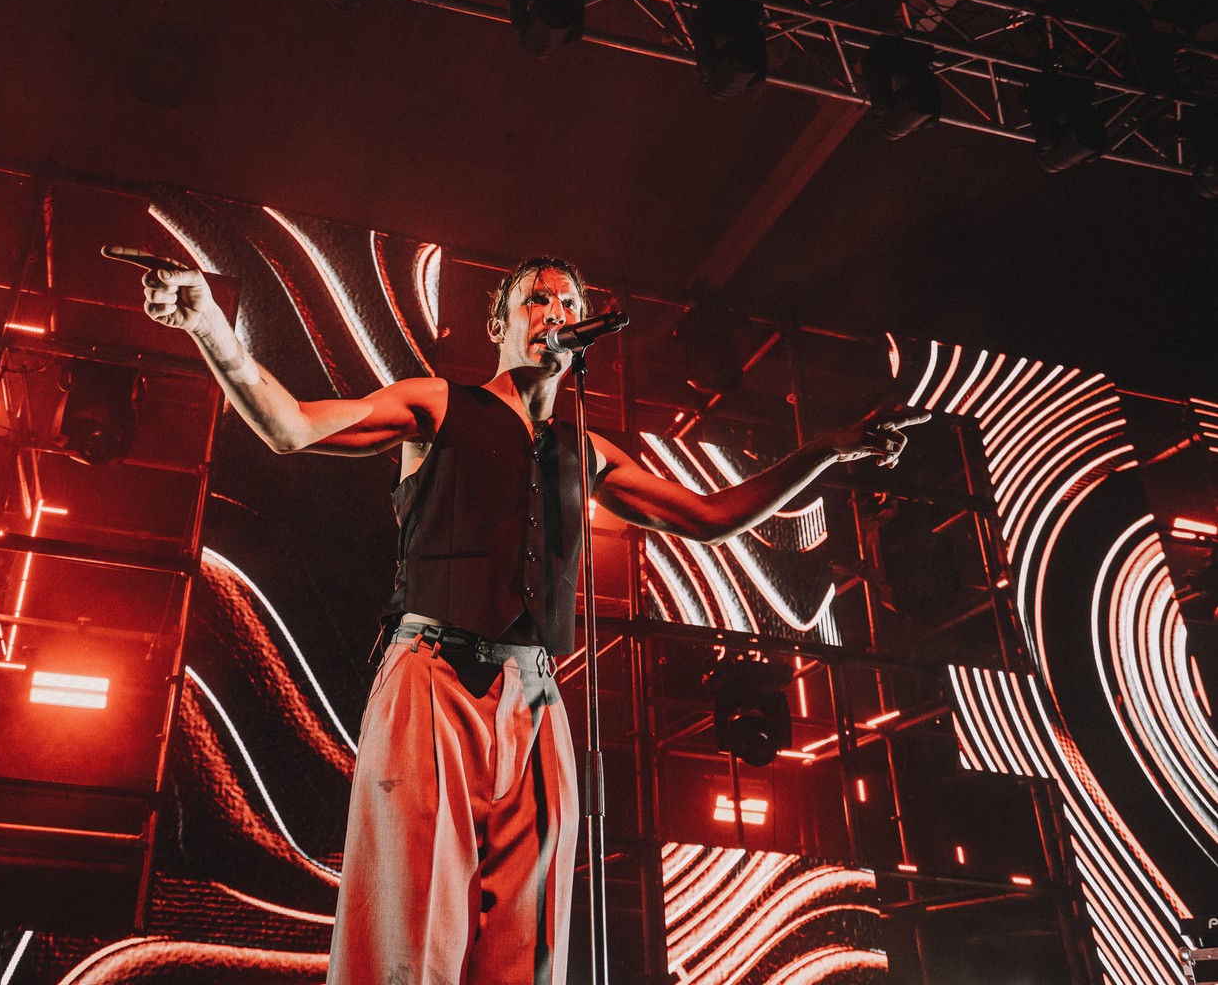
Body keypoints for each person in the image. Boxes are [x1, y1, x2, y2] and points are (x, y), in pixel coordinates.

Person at [118, 249, 925, 985]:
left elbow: (710, 518)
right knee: (411, 932)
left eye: (569, 303)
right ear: (499, 323)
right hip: (433, 677)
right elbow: (290, 425)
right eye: (538, 299)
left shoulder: (587, 449)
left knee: (525, 945)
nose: (555, 312)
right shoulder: (437, 403)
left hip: (535, 697)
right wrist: (209, 325)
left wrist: (825, 452)